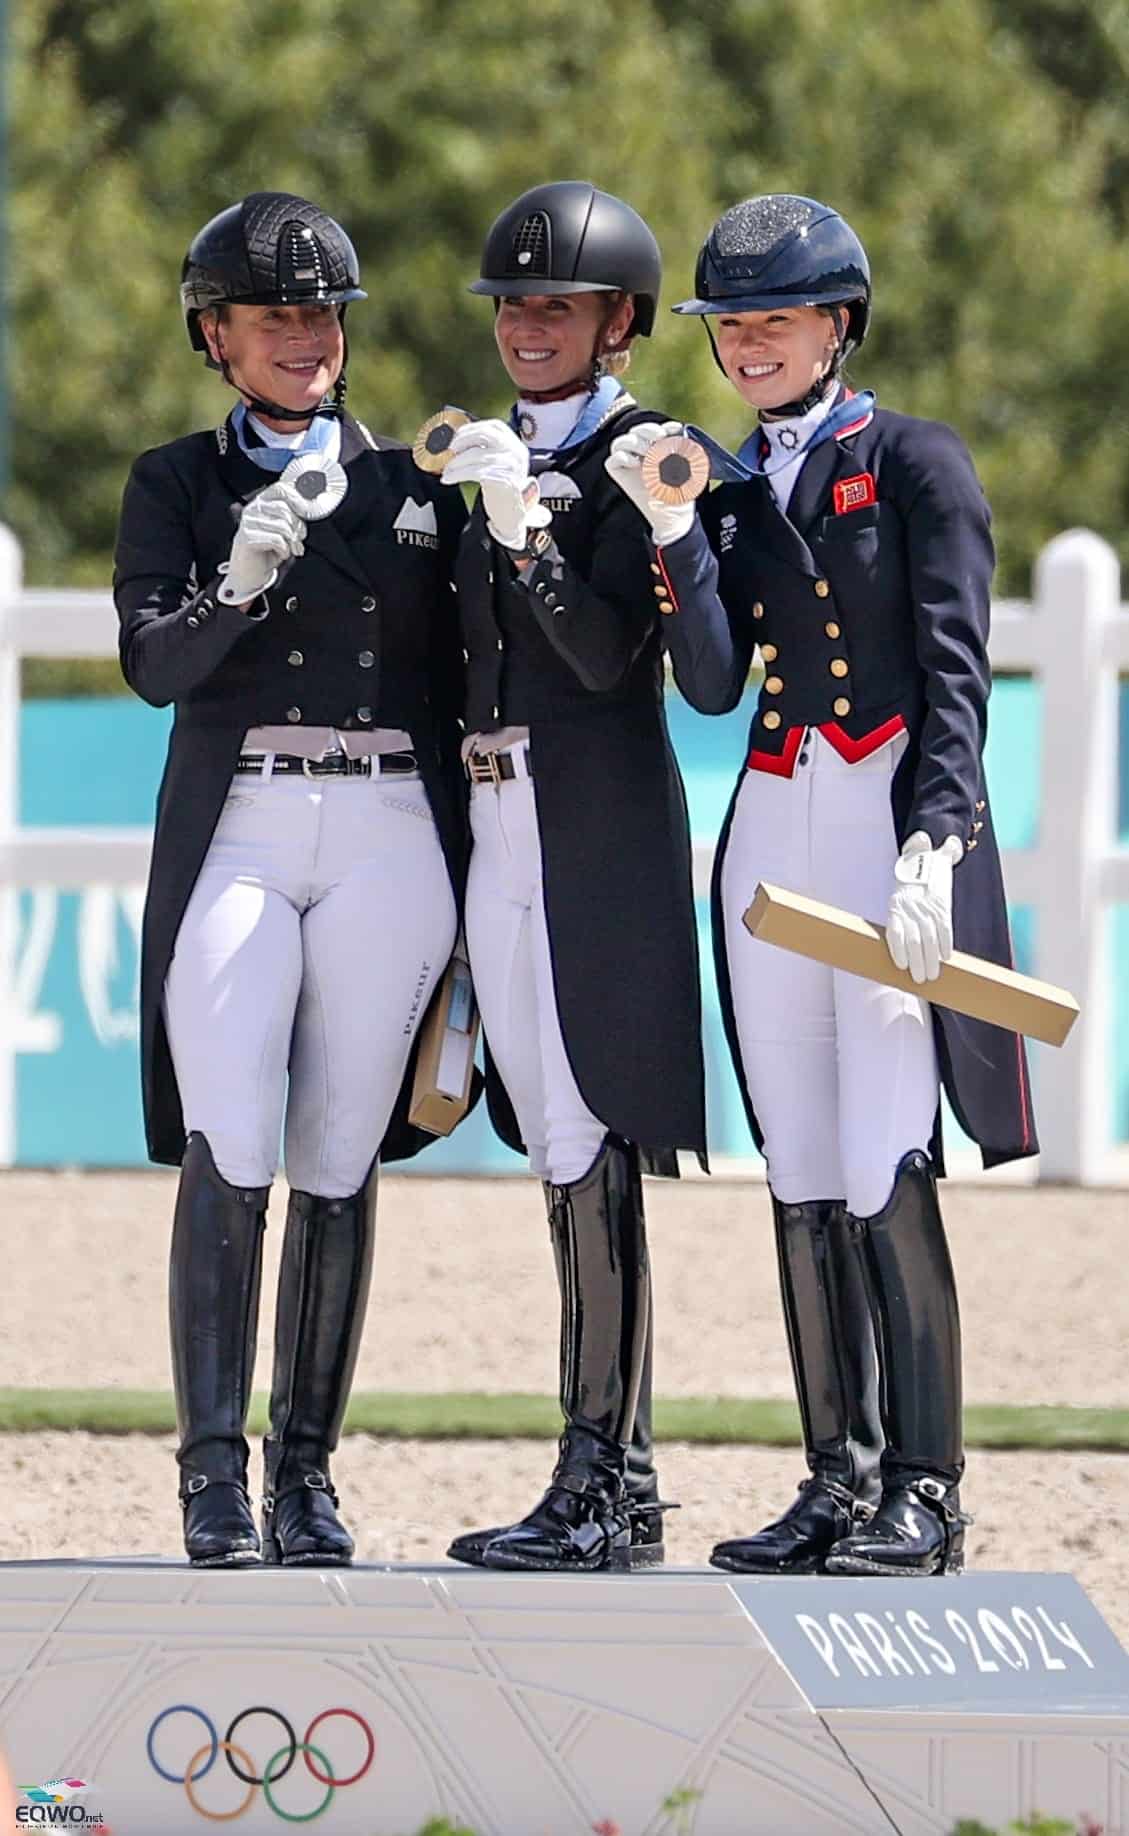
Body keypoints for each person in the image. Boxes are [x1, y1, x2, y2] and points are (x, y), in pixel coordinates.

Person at [606, 194, 1037, 1577]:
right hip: (772, 823)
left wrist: (938, 836)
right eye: (730, 325)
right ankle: (835, 1481)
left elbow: (955, 668)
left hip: (878, 820)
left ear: (837, 324)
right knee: (795, 1159)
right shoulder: (721, 485)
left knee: (879, 1155)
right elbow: (718, 684)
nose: (746, 346)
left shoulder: (913, 461)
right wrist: (677, 536)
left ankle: (926, 1486)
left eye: (772, 320)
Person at [114, 192, 468, 1568]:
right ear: (217, 335)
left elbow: (461, 677)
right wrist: (237, 580)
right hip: (246, 824)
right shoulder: (175, 485)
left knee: (337, 1152)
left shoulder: (410, 485)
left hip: (387, 824)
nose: (305, 337)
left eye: (320, 313)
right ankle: (212, 1471)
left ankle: (304, 1474)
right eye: (274, 316)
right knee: (232, 1134)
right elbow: (157, 669)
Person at [438, 181, 710, 1572]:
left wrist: (524, 532)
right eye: (514, 304)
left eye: (556, 303)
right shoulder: (475, 450)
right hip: (491, 819)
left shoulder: (648, 453)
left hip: (588, 815)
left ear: (615, 321)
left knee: (596, 1133)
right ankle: (608, 1475)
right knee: (552, 1140)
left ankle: (607, 1480)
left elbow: (611, 659)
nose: (529, 324)